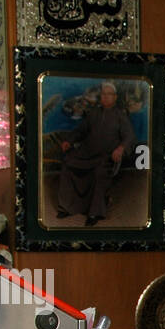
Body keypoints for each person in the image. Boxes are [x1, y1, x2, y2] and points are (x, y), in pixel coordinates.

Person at [56, 81, 135, 226]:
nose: (105, 97)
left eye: (109, 94)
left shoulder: (120, 115)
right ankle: (68, 207)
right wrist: (69, 140)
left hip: (106, 157)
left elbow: (129, 136)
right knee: (68, 163)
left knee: (99, 172)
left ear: (115, 97)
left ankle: (95, 213)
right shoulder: (94, 113)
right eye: (103, 94)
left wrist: (121, 148)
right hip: (87, 153)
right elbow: (81, 130)